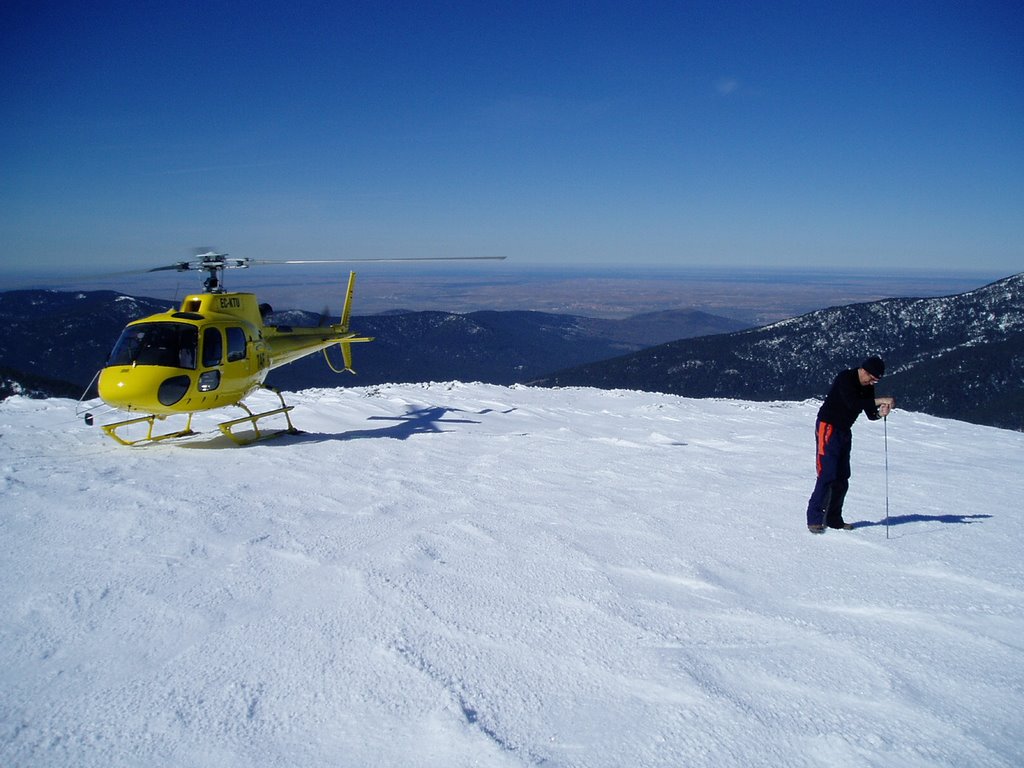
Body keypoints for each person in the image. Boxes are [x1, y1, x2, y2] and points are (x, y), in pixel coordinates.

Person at [806, 356, 895, 534]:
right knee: (827, 473)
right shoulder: (845, 378)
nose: (872, 382)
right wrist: (880, 400)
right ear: (863, 370)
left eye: (875, 380)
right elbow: (852, 403)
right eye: (871, 378)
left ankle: (834, 519)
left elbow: (870, 413)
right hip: (828, 427)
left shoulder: (868, 387)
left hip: (844, 430)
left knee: (842, 476)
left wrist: (880, 413)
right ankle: (814, 519)